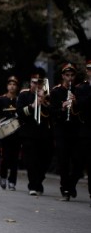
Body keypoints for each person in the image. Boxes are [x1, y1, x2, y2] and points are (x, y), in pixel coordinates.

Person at [16, 70, 53, 196]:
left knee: (45, 160)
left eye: (39, 83)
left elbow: (52, 114)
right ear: (30, 83)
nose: (36, 85)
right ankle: (33, 185)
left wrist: (44, 102)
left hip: (44, 133)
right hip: (28, 133)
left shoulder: (47, 95)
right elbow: (20, 113)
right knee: (30, 160)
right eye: (34, 83)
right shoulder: (24, 95)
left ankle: (39, 181)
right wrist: (32, 106)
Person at [50, 62, 80, 200]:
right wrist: (62, 108)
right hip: (61, 130)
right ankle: (65, 189)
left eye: (72, 75)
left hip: (75, 130)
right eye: (67, 75)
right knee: (63, 160)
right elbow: (51, 112)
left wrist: (75, 103)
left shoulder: (79, 90)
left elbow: (83, 112)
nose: (70, 78)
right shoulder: (56, 91)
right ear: (63, 76)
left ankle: (72, 184)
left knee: (78, 160)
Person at [0, 76, 21, 191]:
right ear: (7, 86)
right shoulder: (1, 99)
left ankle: (12, 181)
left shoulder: (19, 100)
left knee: (15, 158)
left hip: (16, 132)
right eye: (10, 84)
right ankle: (3, 176)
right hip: (4, 132)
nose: (12, 86)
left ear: (17, 87)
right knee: (5, 157)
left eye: (14, 84)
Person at [73, 60, 91, 207]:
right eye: (90, 69)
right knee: (79, 162)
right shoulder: (81, 88)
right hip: (85, 130)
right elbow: (80, 104)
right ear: (87, 71)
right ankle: (71, 183)